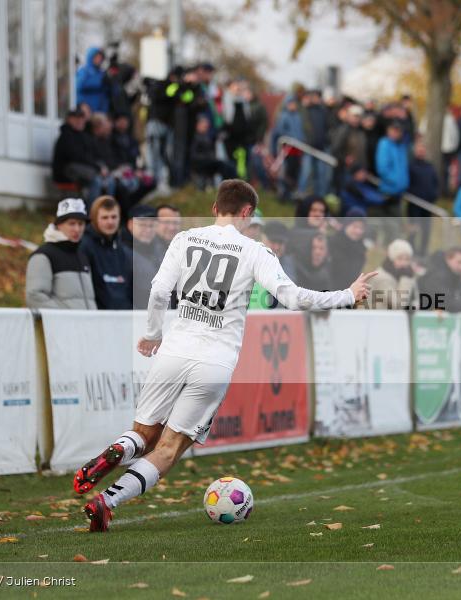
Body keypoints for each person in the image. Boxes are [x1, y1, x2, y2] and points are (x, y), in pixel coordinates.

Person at [77, 181, 375, 531]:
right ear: (248, 212)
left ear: (215, 207)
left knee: (143, 434)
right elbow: (293, 298)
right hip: (213, 360)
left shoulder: (185, 238)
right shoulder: (255, 251)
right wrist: (347, 294)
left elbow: (158, 291)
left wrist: (154, 333)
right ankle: (106, 501)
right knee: (169, 448)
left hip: (173, 350)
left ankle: (119, 449)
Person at [25, 199, 96, 310]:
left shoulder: (83, 255)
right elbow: (34, 297)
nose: (77, 229)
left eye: (81, 224)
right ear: (59, 225)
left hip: (89, 321)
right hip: (63, 321)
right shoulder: (43, 255)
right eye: (72, 223)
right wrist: (65, 317)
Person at [78, 196, 133, 310]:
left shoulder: (125, 251)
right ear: (94, 219)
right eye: (104, 217)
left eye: (114, 217)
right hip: (97, 315)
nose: (110, 222)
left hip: (126, 315)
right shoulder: (83, 247)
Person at [126, 205, 164, 310]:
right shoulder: (120, 253)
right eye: (142, 225)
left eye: (151, 226)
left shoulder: (162, 252)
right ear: (130, 225)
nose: (148, 230)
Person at [407, 138, 440, 255]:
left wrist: (434, 195)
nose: (421, 151)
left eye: (423, 149)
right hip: (414, 204)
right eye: (419, 149)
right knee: (413, 230)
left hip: (427, 204)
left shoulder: (430, 167)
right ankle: (411, 250)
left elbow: (435, 183)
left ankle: (423, 252)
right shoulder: (410, 166)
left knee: (426, 230)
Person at [366, 239, 419, 310]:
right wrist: (406, 280)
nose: (403, 263)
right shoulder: (382, 277)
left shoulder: (407, 274)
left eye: (407, 259)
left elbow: (416, 299)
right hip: (377, 316)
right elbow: (397, 305)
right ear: (391, 259)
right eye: (399, 258)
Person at [329, 209, 369, 289]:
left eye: (361, 228)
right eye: (355, 226)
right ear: (346, 225)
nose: (358, 231)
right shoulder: (332, 244)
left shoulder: (361, 249)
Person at [418, 247, 461, 312]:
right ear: (448, 259)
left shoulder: (454, 276)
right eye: (459, 262)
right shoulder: (436, 276)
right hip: (427, 316)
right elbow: (447, 303)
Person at [76, 47, 110, 114]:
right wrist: (81, 104)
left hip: (100, 111)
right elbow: (79, 86)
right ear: (90, 57)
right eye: (96, 57)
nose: (99, 60)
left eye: (100, 58)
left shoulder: (102, 73)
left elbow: (106, 92)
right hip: (87, 110)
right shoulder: (84, 71)